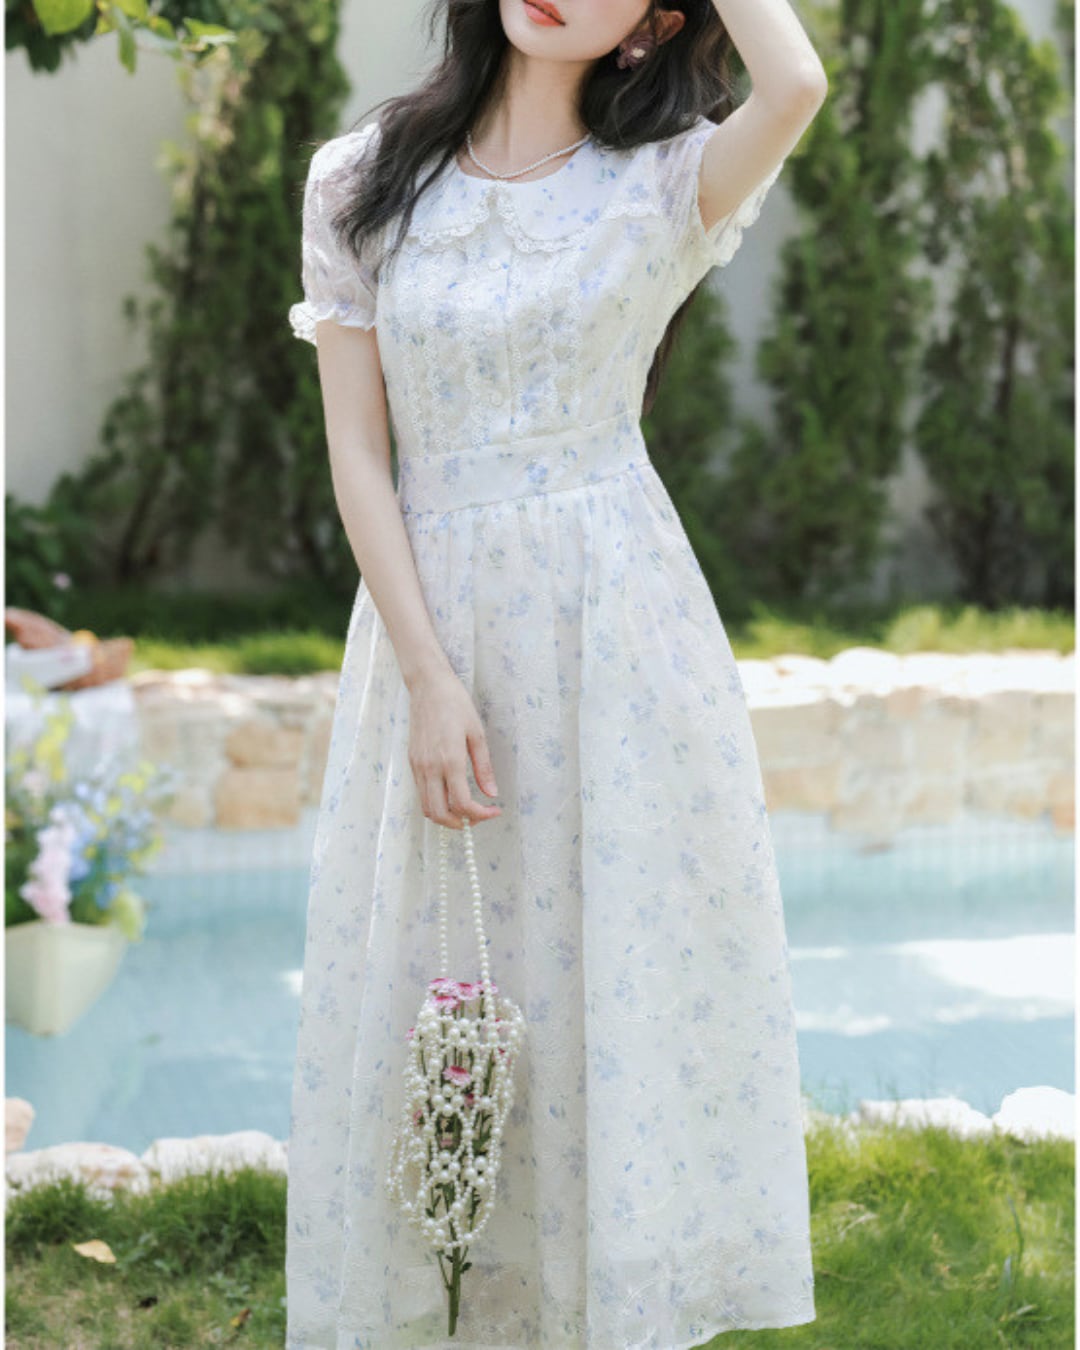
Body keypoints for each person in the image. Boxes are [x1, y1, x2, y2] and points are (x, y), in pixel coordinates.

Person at [285, 0, 828, 1339]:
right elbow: (360, 452)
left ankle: (606, 1296)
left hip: (618, 638)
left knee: (609, 974)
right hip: (433, 628)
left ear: (652, 25)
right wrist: (429, 678)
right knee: (433, 969)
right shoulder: (360, 182)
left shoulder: (667, 184)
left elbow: (797, 80)